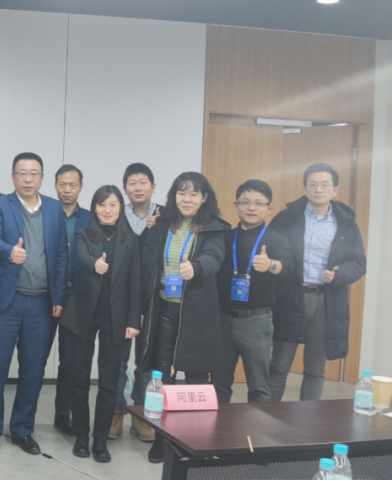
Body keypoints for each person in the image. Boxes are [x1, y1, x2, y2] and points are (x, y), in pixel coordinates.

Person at [0, 152, 68, 457]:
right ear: (13, 177)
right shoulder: (0, 205)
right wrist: (9, 251)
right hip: (6, 302)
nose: (28, 179)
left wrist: (59, 297)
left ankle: (22, 429)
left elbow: (61, 256)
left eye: (34, 173)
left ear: (42, 178)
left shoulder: (54, 209)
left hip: (42, 303)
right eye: (22, 173)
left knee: (33, 371)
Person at [139, 171, 229, 464]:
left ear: (204, 198)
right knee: (162, 377)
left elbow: (214, 258)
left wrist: (196, 267)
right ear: (174, 196)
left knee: (196, 378)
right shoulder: (162, 223)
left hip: (196, 313)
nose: (186, 199)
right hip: (164, 310)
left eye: (193, 194)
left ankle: (192, 442)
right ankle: (161, 440)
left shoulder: (214, 228)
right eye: (181, 193)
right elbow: (146, 260)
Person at [268, 164, 366, 402]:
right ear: (304, 188)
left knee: (315, 369)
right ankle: (266, 415)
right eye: (313, 184)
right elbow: (269, 251)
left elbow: (359, 262)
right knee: (279, 364)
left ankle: (308, 419)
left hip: (326, 300)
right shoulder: (287, 218)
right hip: (290, 298)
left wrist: (339, 275)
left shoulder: (346, 223)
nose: (318, 189)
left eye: (324, 185)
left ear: (335, 190)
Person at [60, 185, 141, 463]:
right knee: (79, 378)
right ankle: (81, 436)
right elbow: (80, 258)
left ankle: (100, 440)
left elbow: (136, 284)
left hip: (116, 317)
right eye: (102, 204)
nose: (107, 210)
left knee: (109, 382)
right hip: (83, 313)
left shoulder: (132, 240)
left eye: (113, 205)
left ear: (120, 208)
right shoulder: (83, 234)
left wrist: (133, 320)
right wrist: (95, 264)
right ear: (95, 208)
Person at [210, 180, 290, 403]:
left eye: (258, 203)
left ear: (269, 208)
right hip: (223, 319)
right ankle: (218, 425)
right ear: (236, 205)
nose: (251, 208)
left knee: (259, 387)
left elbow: (287, 266)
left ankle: (257, 426)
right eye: (245, 202)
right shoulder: (225, 237)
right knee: (218, 383)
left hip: (256, 322)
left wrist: (271, 265)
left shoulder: (276, 240)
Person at [113, 162, 159, 442]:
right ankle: (116, 411)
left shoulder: (166, 216)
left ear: (153, 187)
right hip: (121, 298)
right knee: (118, 360)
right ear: (125, 188)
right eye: (132, 183)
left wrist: (158, 228)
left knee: (146, 361)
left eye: (143, 183)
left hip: (154, 300)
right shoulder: (116, 213)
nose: (138, 188)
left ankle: (141, 416)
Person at [48, 164, 91, 436]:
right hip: (47, 293)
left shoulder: (90, 218)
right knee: (36, 357)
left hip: (77, 295)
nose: (67, 189)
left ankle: (63, 412)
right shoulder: (45, 213)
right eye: (62, 184)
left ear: (80, 187)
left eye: (72, 185)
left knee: (70, 360)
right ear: (55, 185)